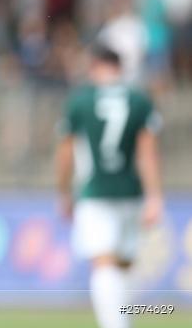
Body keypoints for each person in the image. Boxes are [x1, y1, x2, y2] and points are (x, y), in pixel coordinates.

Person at [56, 43, 164, 328]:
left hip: (95, 192)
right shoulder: (139, 100)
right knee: (123, 264)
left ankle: (116, 324)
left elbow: (66, 152)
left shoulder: (80, 100)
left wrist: (63, 191)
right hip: (131, 193)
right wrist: (155, 196)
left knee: (104, 264)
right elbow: (148, 153)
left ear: (94, 66)